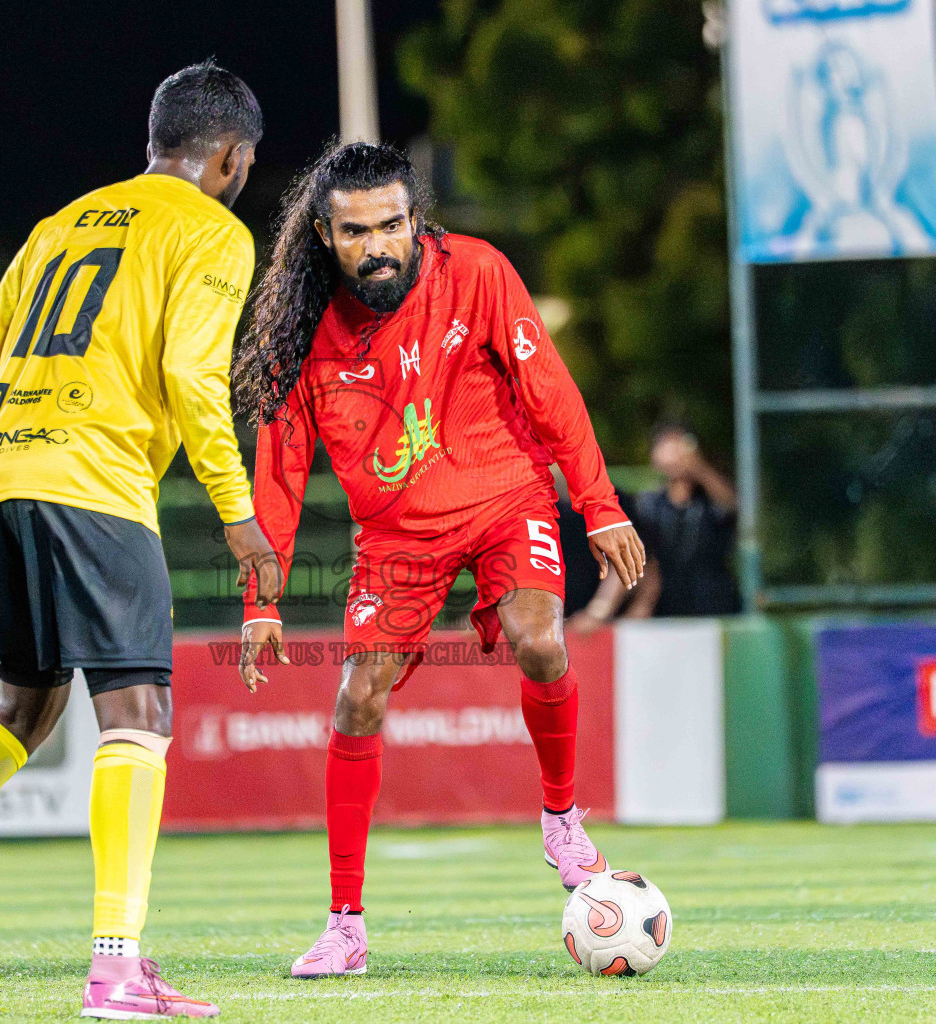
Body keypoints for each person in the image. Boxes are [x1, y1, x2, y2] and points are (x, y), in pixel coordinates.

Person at [0, 61, 280, 1020]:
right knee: (138, 717)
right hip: (94, 481)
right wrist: (239, 516)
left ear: (154, 143)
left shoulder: (60, 224)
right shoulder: (213, 232)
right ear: (232, 158)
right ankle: (117, 968)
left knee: (22, 711)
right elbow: (193, 379)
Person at [229, 142, 646, 978]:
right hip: (394, 538)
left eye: (393, 224)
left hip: (505, 496)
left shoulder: (479, 272)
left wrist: (597, 503)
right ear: (323, 234)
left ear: (414, 219)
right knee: (358, 696)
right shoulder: (300, 332)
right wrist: (261, 602)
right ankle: (345, 926)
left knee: (540, 639)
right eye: (357, 232)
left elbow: (550, 390)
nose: (379, 244)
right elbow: (275, 472)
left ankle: (561, 820)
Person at [574, 424, 740, 624]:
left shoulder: (708, 501)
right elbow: (633, 559)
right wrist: (601, 610)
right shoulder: (647, 505)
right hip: (664, 614)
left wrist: (698, 467)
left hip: (714, 610)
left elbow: (732, 506)